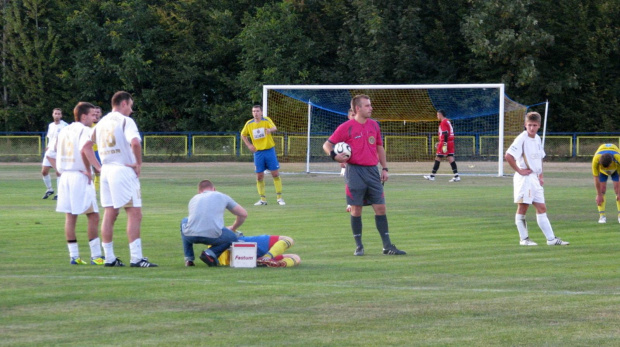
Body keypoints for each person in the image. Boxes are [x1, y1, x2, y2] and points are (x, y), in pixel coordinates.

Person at [322, 95, 406, 256]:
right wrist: (334, 155)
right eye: (367, 106)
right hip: (354, 171)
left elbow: (379, 147)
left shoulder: (374, 125)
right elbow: (327, 144)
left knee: (380, 207)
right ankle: (359, 246)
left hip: (372, 171)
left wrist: (385, 168)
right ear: (358, 108)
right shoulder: (346, 127)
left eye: (370, 105)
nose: (371, 108)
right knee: (356, 209)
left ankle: (387, 246)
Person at [92, 91, 157, 267]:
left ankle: (109, 257)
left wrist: (96, 165)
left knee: (109, 213)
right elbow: (135, 142)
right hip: (123, 170)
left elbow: (87, 144)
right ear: (124, 104)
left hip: (106, 170)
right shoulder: (125, 121)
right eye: (131, 105)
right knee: (134, 213)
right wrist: (138, 163)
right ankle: (136, 258)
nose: (131, 110)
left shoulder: (101, 122)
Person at [47, 102, 104, 265]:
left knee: (70, 217)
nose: (96, 117)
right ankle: (96, 256)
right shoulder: (85, 130)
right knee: (93, 216)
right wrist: (95, 168)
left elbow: (50, 153)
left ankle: (74, 257)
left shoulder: (64, 130)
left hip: (65, 178)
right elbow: (85, 148)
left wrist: (58, 168)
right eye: (93, 115)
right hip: (80, 176)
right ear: (83, 116)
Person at [505, 112, 569, 246]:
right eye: (529, 125)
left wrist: (541, 175)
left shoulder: (538, 138)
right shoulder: (521, 138)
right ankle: (524, 239)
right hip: (525, 178)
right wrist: (519, 170)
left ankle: (551, 239)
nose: (532, 128)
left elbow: (539, 157)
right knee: (523, 207)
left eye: (534, 125)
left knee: (542, 207)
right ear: (525, 125)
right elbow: (508, 156)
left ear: (539, 125)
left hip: (535, 178)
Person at [180, 179, 247, 267]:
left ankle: (189, 259)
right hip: (212, 235)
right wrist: (233, 228)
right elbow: (243, 214)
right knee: (232, 237)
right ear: (214, 189)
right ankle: (210, 253)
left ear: (199, 191)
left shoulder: (194, 198)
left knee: (184, 221)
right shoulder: (222, 196)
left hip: (190, 236)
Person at [240, 105, 285, 206]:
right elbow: (243, 134)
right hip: (258, 153)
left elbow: (274, 128)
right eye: (254, 111)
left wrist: (270, 130)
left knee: (275, 174)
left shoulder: (266, 120)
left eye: (257, 111)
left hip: (269, 151)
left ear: (261, 112)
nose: (255, 113)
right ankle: (263, 199)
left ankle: (279, 198)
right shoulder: (249, 123)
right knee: (259, 176)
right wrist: (249, 145)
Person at [423, 109, 460, 182]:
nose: (437, 116)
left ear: (440, 115)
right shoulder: (447, 121)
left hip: (445, 142)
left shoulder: (443, 122)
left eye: (437, 115)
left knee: (438, 158)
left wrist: (444, 144)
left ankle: (432, 176)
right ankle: (456, 176)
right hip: (450, 142)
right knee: (450, 158)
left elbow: (445, 134)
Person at [41, 108, 68, 199]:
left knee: (58, 172)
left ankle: (59, 193)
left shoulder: (64, 126)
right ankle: (49, 189)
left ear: (61, 115)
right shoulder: (51, 125)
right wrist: (48, 146)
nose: (57, 115)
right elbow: (51, 138)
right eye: (55, 113)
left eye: (58, 114)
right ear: (53, 115)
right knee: (44, 171)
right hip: (50, 151)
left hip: (59, 152)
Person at [591, 143, 620, 224]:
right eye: (604, 166)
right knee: (602, 190)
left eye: (607, 167)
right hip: (602, 172)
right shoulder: (596, 160)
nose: (607, 169)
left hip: (616, 170)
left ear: (612, 162)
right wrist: (599, 194)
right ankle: (602, 216)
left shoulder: (618, 158)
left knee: (618, 190)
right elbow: (596, 178)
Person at [91, 106, 103, 192]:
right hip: (88, 151)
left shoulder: (103, 124)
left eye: (98, 112)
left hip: (99, 151)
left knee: (98, 172)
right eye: (94, 112)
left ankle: (94, 192)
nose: (96, 114)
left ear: (101, 114)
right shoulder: (88, 124)